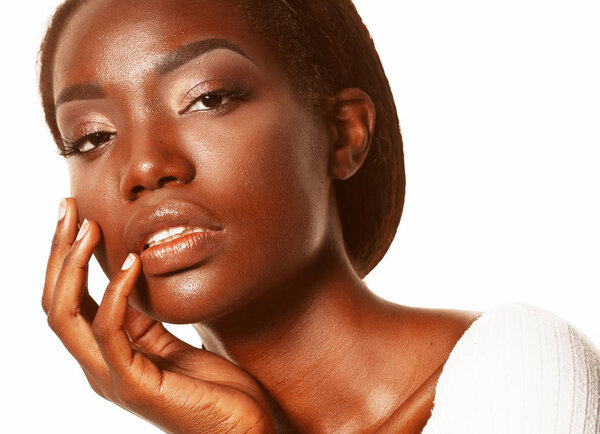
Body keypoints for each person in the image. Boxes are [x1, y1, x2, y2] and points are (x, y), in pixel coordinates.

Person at [39, 1, 600, 433]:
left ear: (344, 134)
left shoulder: (518, 365)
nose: (143, 165)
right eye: (92, 137)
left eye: (208, 98)